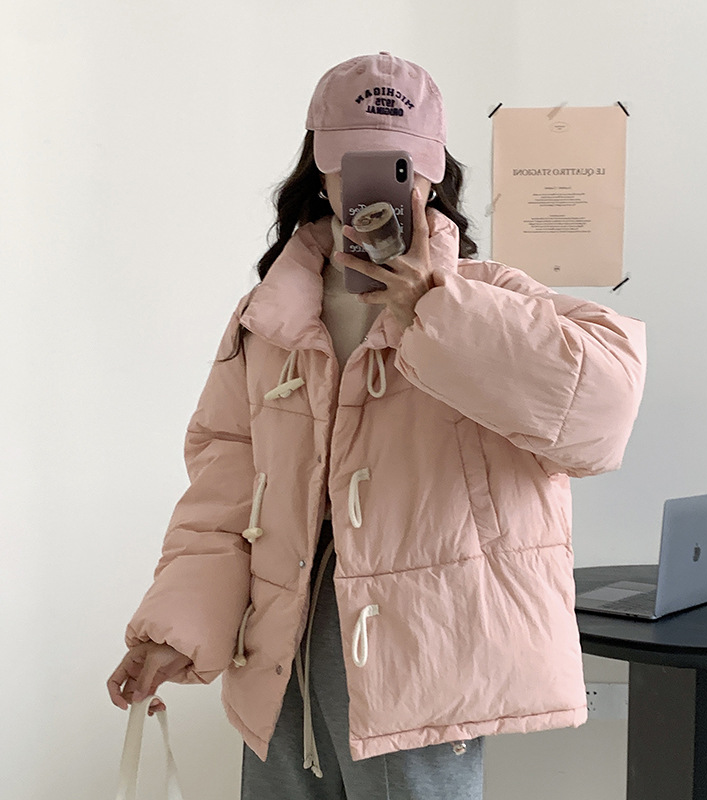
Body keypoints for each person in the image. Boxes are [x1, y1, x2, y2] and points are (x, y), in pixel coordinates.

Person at [107, 52, 646, 800]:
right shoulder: (270, 317)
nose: (378, 187)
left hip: (429, 654)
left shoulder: (491, 298)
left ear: (433, 174)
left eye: (401, 166)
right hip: (282, 639)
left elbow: (603, 417)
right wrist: (176, 629)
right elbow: (225, 487)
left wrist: (440, 309)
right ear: (320, 169)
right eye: (352, 162)